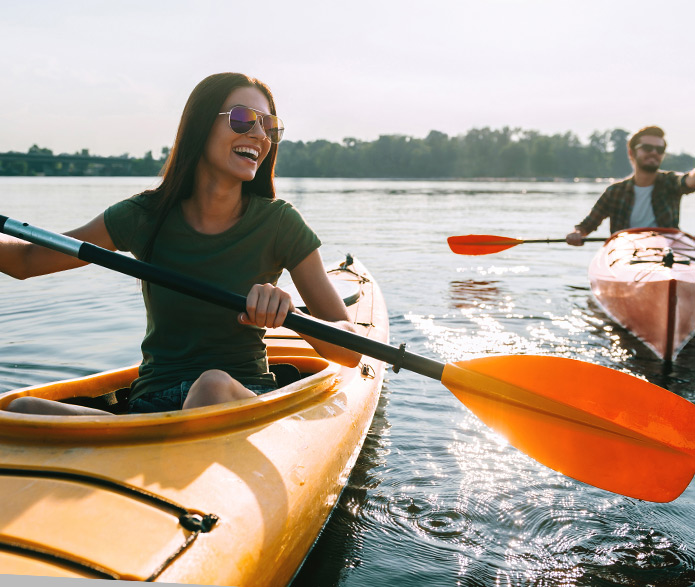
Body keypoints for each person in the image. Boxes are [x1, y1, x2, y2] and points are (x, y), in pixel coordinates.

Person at [0, 72, 361, 415]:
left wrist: (291, 316)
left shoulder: (280, 223)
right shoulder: (144, 215)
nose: (259, 134)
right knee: (22, 408)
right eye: (242, 119)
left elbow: (350, 350)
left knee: (211, 386)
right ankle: (136, 444)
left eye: (269, 126)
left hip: (238, 398)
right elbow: (27, 261)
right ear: (200, 125)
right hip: (150, 403)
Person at [566, 126, 695, 246]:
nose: (654, 152)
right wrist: (577, 234)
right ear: (631, 153)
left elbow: (689, 180)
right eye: (647, 148)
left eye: (659, 150)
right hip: (626, 252)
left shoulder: (671, 182)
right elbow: (586, 225)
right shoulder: (615, 191)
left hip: (667, 251)